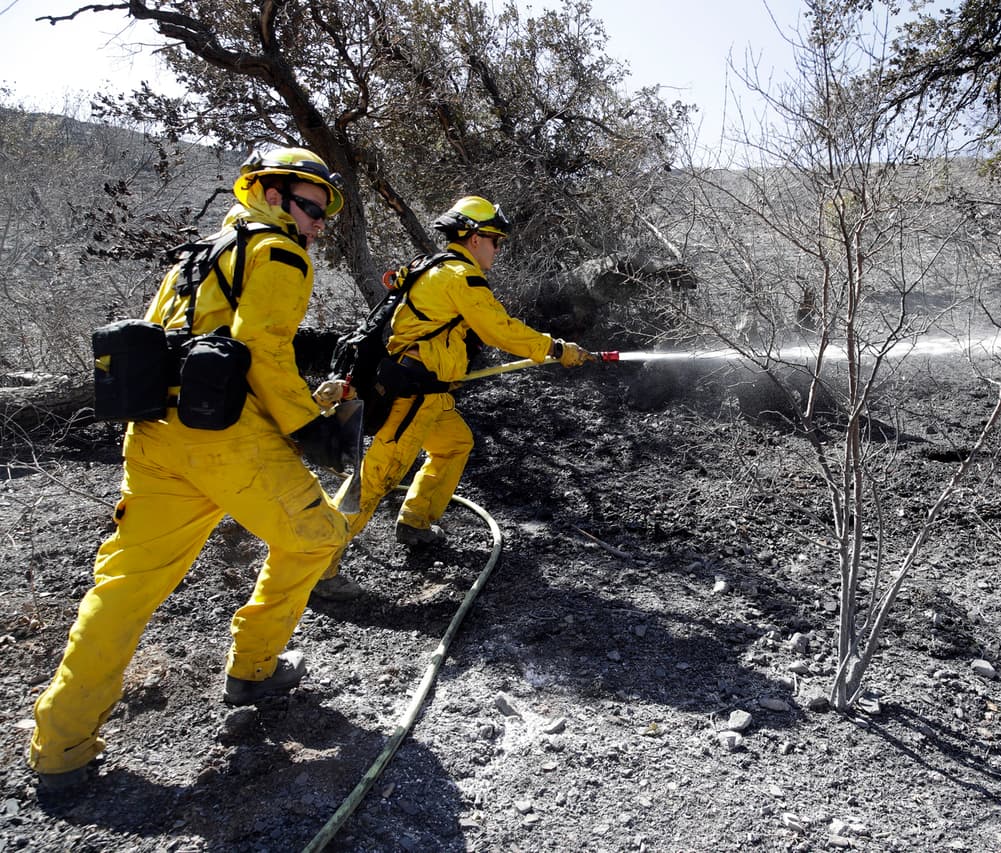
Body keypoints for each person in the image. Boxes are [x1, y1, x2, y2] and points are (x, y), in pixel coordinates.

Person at [28, 148, 352, 792]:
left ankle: (61, 747)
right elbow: (260, 351)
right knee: (319, 536)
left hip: (152, 437)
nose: (318, 225)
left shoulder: (198, 253)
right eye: (313, 208)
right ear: (273, 194)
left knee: (122, 587)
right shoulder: (280, 253)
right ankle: (254, 666)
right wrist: (309, 427)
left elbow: (170, 338)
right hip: (227, 442)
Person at [311, 195, 591, 600]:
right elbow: (500, 329)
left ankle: (415, 522)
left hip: (430, 394)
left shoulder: (437, 267)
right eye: (496, 240)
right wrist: (556, 348)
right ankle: (317, 564)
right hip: (413, 395)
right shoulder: (460, 276)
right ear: (474, 238)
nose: (498, 249)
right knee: (376, 479)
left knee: (455, 444)